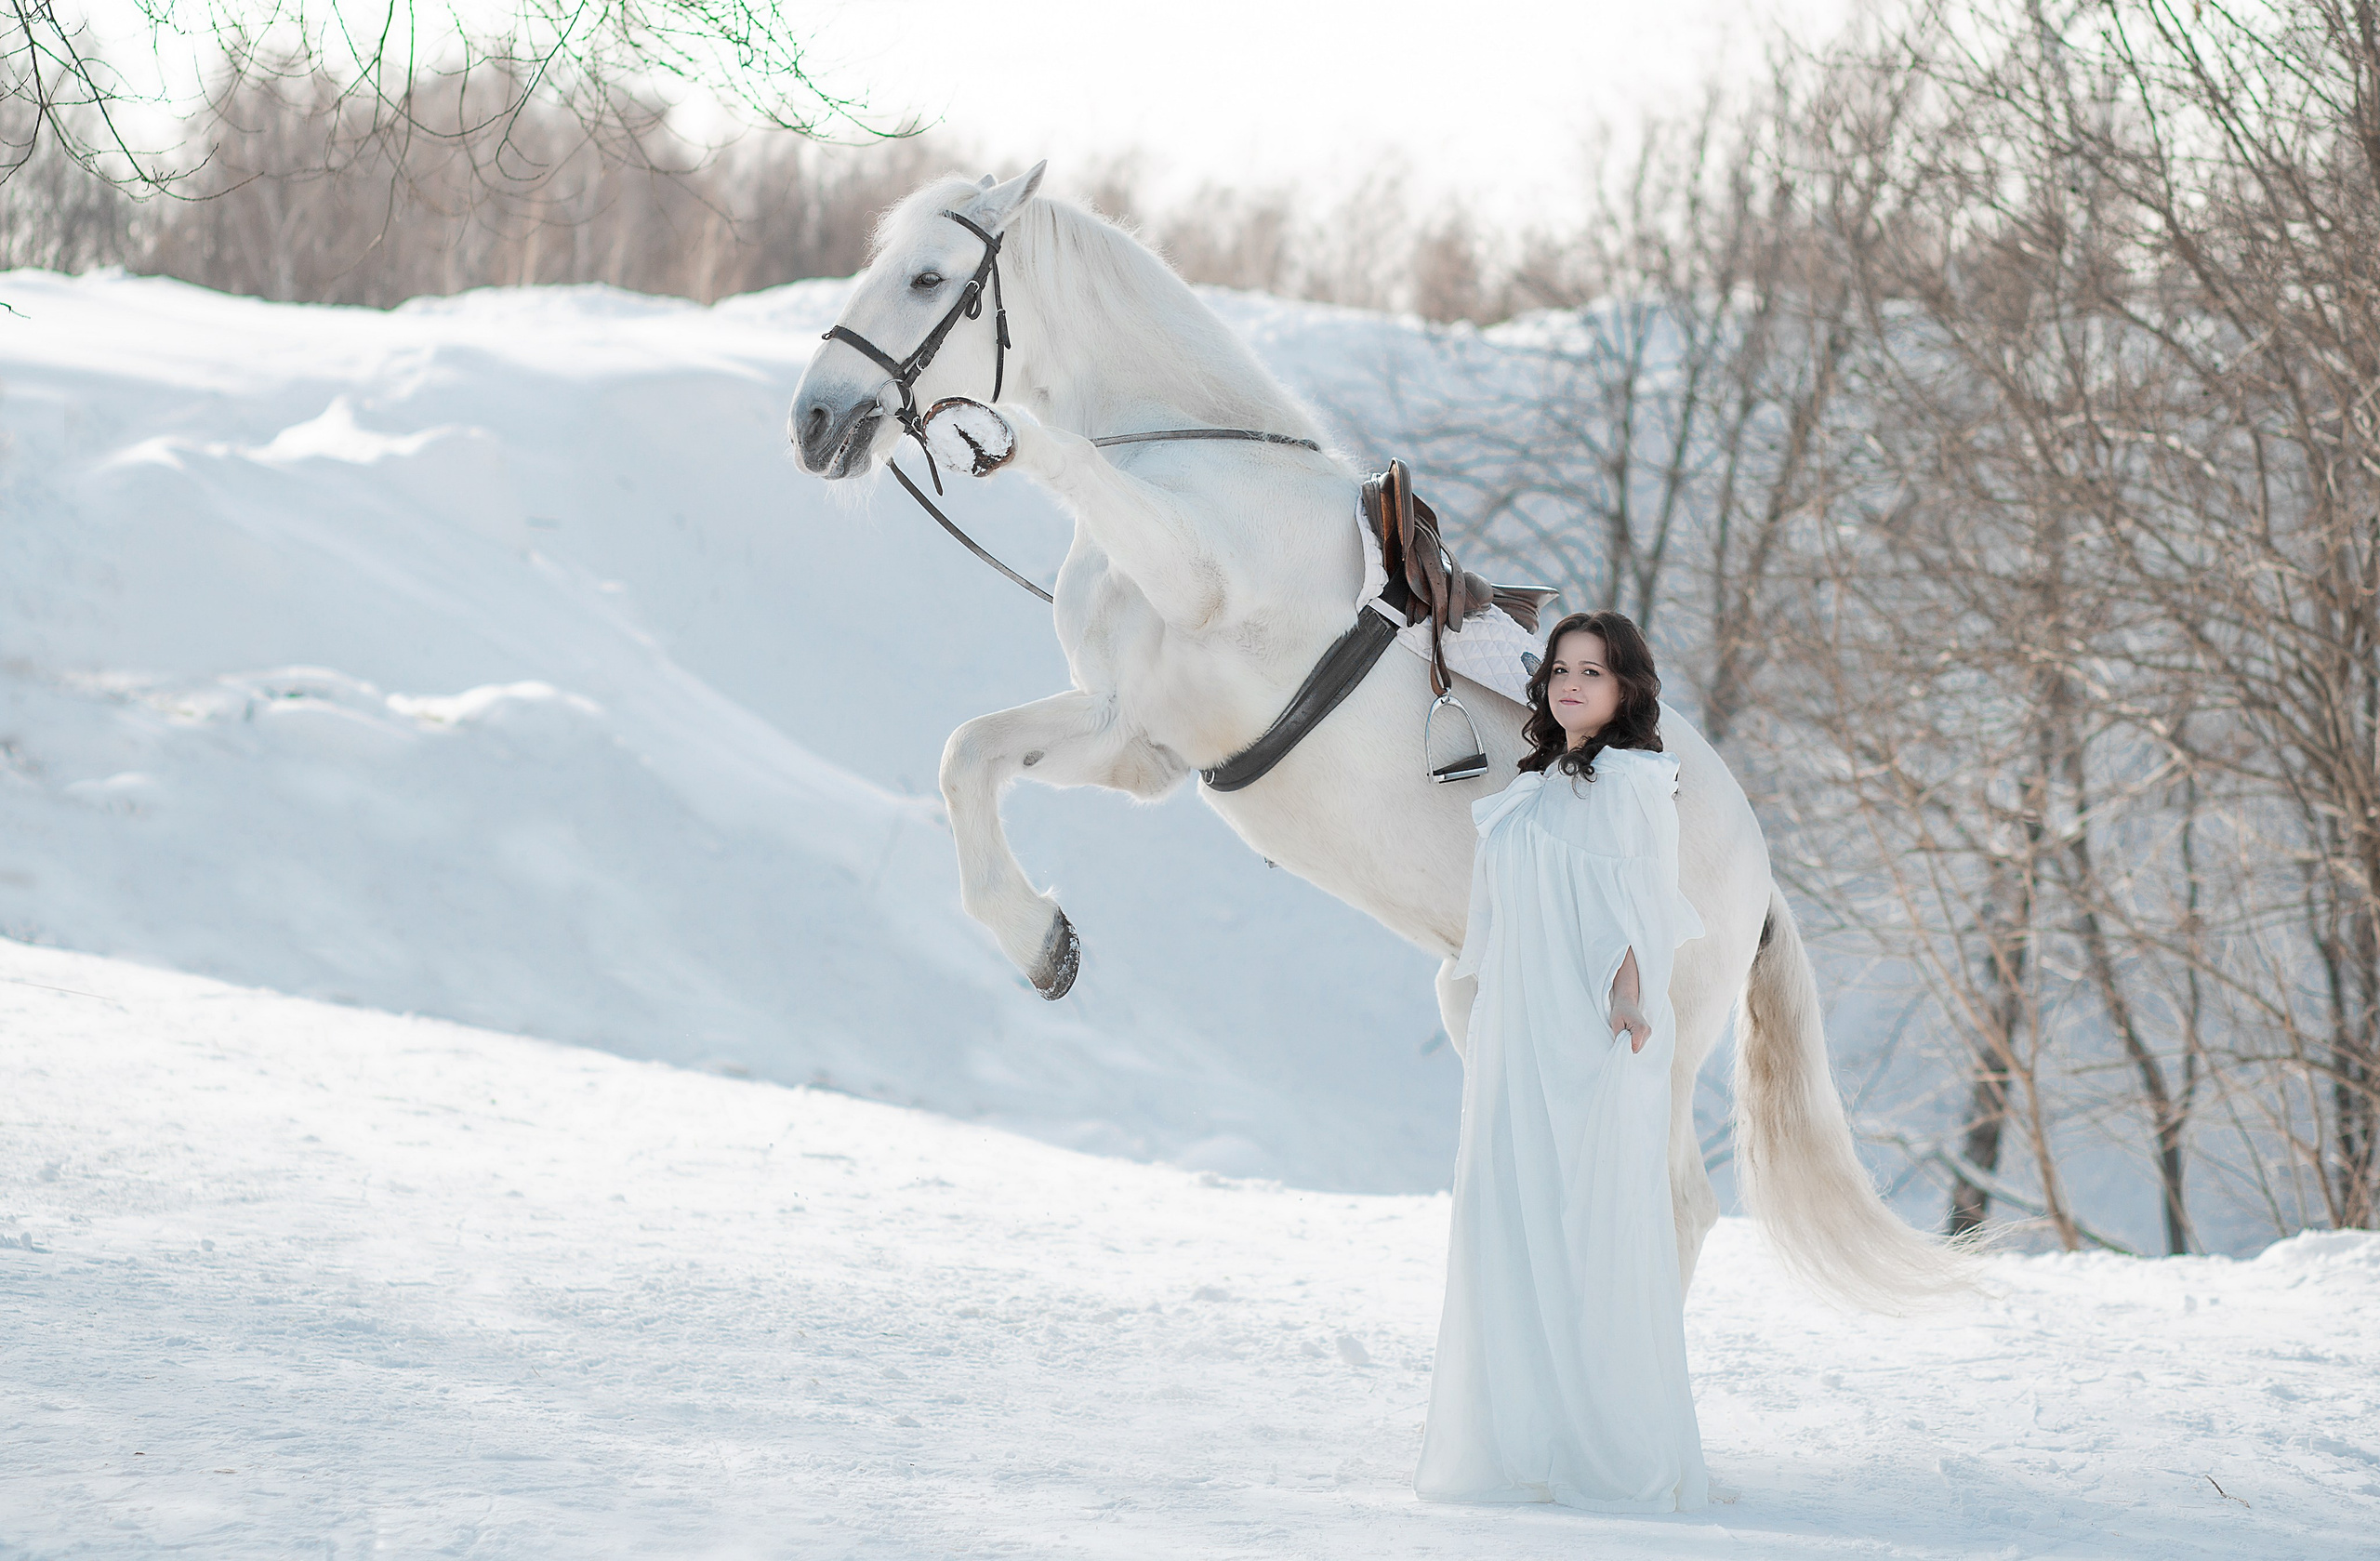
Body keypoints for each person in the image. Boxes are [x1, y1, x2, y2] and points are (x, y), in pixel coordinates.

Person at [1415, 609, 1710, 1514]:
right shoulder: (1535, 784)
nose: (1571, 683)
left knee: (1584, 1223)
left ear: (1627, 689)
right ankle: (1519, 1434)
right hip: (1517, 1028)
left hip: (1588, 1033)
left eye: (1593, 670)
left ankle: (1604, 1441)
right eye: (1559, 669)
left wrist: (1629, 989)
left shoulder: (1629, 780)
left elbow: (1646, 899)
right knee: (1513, 1213)